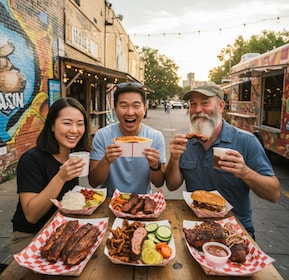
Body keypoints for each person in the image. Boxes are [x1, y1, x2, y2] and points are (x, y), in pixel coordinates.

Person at [165, 81, 280, 238]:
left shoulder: (246, 141)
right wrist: (174, 158)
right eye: (193, 104)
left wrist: (245, 172)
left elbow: (273, 194)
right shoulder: (187, 142)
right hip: (196, 226)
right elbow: (172, 185)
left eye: (205, 103)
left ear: (220, 106)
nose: (198, 110)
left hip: (236, 229)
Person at [11, 97, 91, 253]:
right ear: (52, 126)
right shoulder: (31, 160)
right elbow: (31, 215)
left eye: (80, 124)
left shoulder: (73, 156)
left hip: (62, 231)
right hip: (30, 236)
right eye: (67, 123)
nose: (74, 130)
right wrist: (60, 178)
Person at [89, 82, 166, 197]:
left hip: (141, 201)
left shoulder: (155, 137)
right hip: (109, 201)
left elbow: (159, 183)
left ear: (144, 109)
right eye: (123, 106)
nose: (130, 112)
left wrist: (155, 166)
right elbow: (94, 183)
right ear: (115, 109)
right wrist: (106, 160)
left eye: (136, 106)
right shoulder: (102, 135)